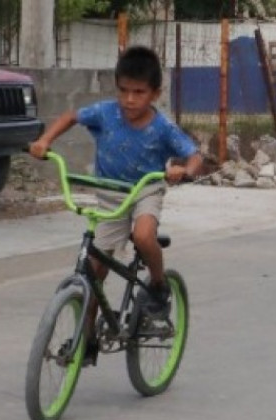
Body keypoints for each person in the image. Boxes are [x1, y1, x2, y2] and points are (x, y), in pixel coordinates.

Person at [28, 46, 202, 359]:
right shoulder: (106, 113)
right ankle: (88, 336)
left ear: (155, 94)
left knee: (144, 235)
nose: (130, 100)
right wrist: (44, 141)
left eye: (139, 92)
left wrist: (184, 170)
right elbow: (70, 116)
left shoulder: (162, 128)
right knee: (94, 276)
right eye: (124, 91)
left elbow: (194, 154)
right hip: (110, 195)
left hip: (144, 192)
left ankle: (159, 287)